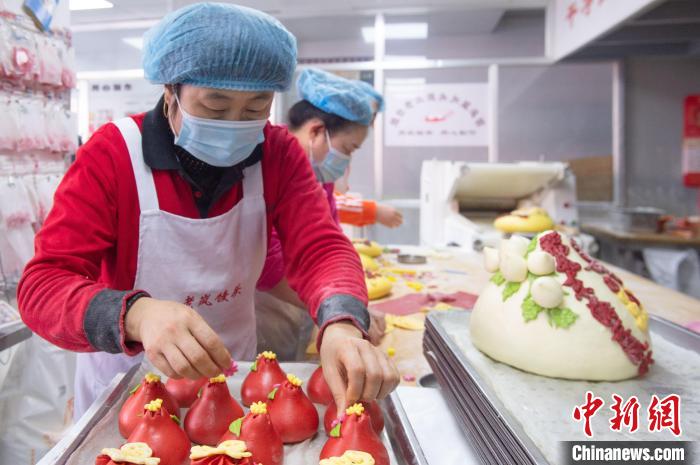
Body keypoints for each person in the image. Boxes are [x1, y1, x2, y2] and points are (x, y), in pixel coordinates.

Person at [17, 3, 398, 419]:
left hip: (235, 381)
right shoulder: (113, 154)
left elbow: (321, 248)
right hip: (129, 388)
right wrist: (136, 315)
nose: (235, 123)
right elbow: (44, 285)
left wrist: (340, 321)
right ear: (171, 92)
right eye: (215, 106)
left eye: (255, 108)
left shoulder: (276, 154)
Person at [255, 69, 390, 358]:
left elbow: (327, 242)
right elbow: (267, 265)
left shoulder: (320, 178)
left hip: (304, 301)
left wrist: (343, 305)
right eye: (348, 148)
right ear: (317, 131)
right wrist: (333, 308)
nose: (347, 159)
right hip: (268, 308)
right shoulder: (268, 165)